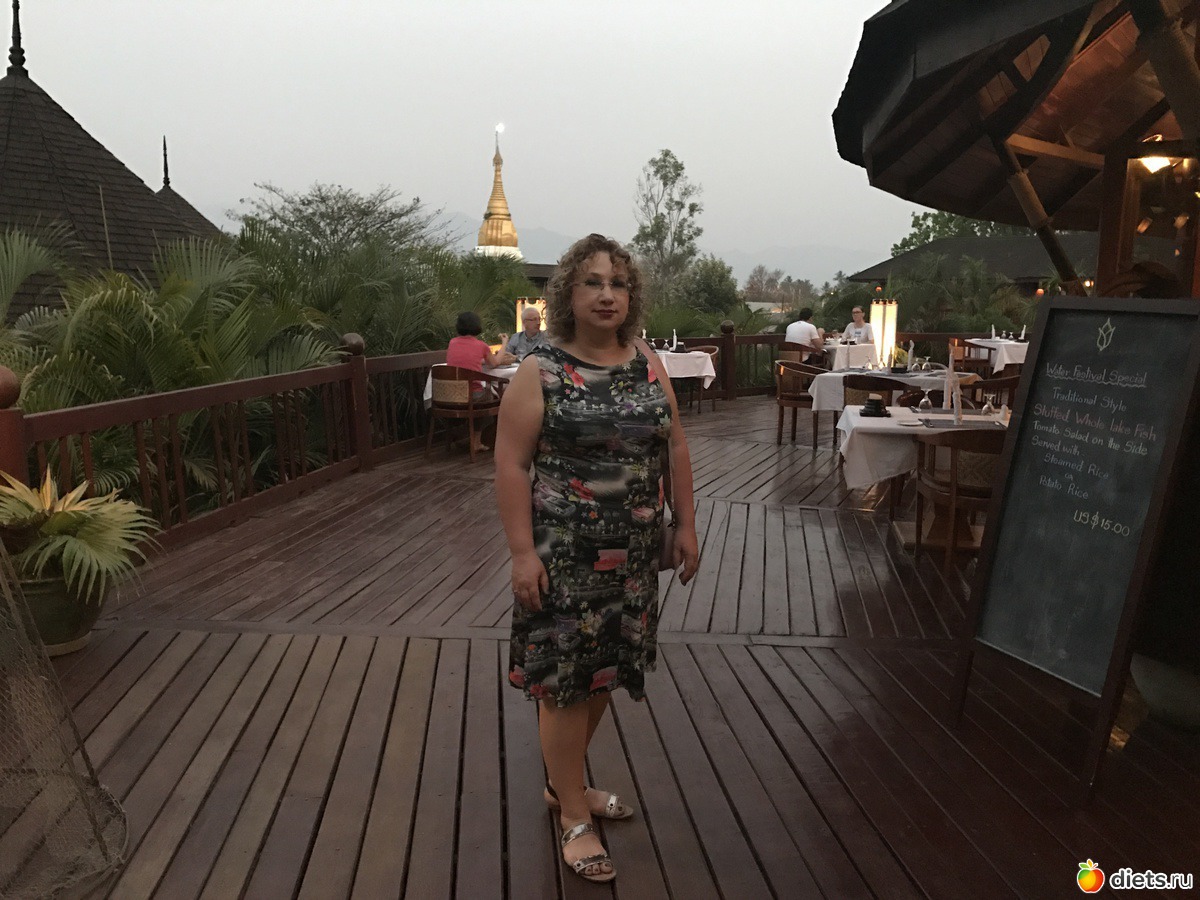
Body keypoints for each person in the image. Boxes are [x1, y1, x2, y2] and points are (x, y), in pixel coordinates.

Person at [494, 233, 700, 884]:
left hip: (633, 556)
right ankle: (574, 816)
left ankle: (565, 785)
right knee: (565, 681)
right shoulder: (541, 371)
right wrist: (521, 554)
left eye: (618, 283)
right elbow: (512, 464)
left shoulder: (646, 362)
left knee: (605, 672)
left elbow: (675, 445)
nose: (607, 294)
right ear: (568, 293)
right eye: (593, 282)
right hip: (564, 557)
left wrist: (686, 523)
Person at [445, 311, 515, 451]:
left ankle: (467, 438)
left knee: (481, 401)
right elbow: (495, 363)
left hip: (451, 394)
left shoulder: (452, 343)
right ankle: (480, 441)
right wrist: (504, 343)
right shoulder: (481, 345)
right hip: (473, 396)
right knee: (494, 398)